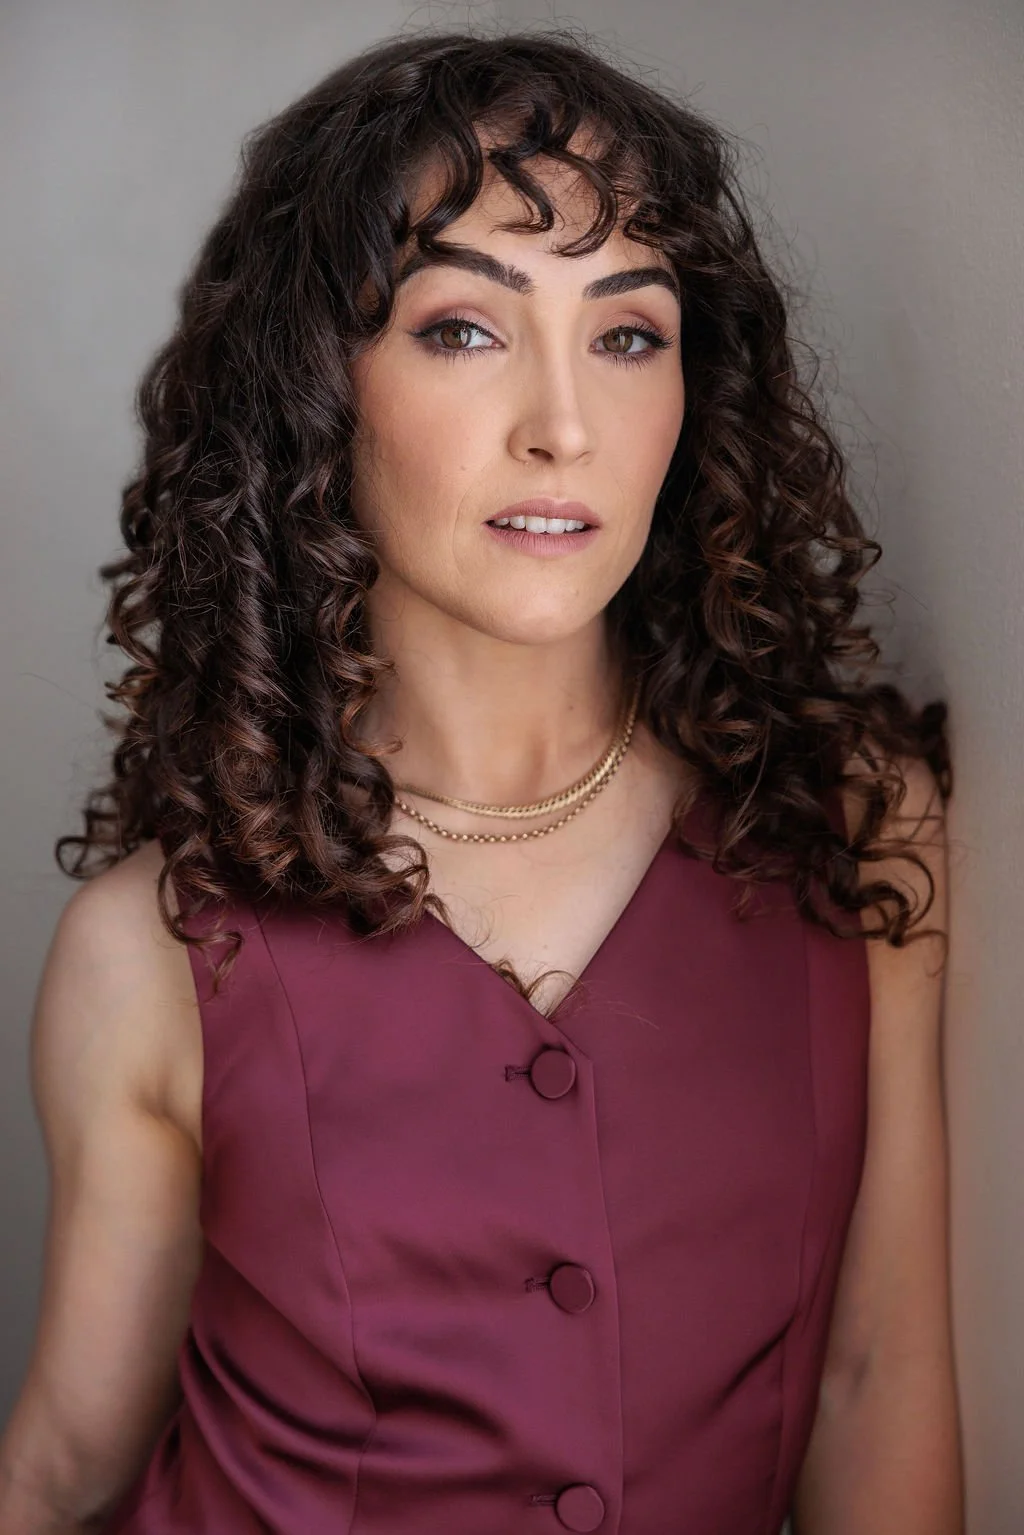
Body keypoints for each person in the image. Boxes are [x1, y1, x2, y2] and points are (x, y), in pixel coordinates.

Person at [0, 24, 963, 1535]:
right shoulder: (151, 950)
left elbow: (874, 1375)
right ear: (320, 387)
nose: (563, 428)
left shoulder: (853, 830)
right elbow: (62, 1466)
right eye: (464, 328)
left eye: (629, 336)